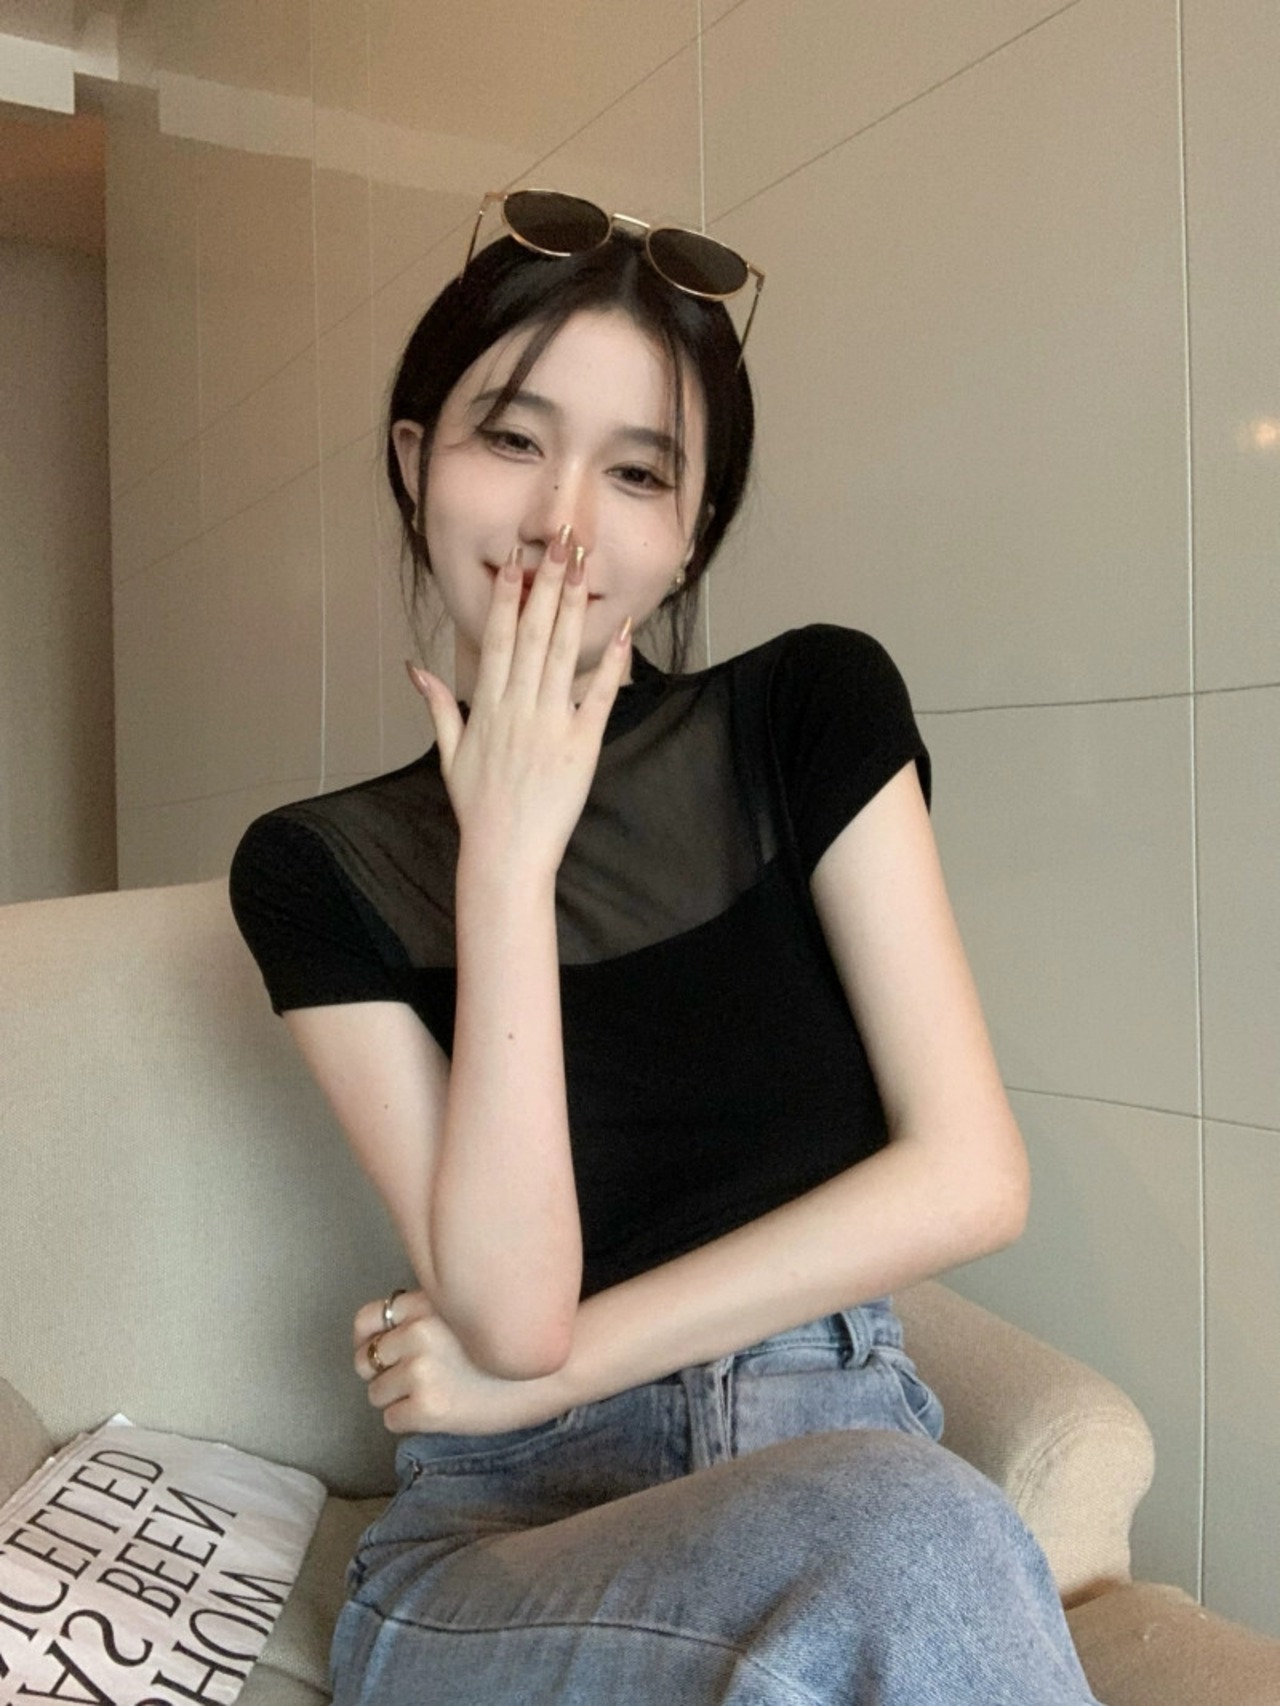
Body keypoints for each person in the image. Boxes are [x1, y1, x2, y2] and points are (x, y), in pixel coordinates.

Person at [229, 189, 1101, 1705]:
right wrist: (506, 863)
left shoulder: (807, 714)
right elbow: (512, 1316)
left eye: (637, 472)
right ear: (414, 460)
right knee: (914, 1541)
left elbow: (971, 1173)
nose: (564, 522)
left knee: (902, 1535)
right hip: (509, 1544)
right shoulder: (317, 869)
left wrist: (562, 1361)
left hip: (838, 1464)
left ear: (690, 534)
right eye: (513, 439)